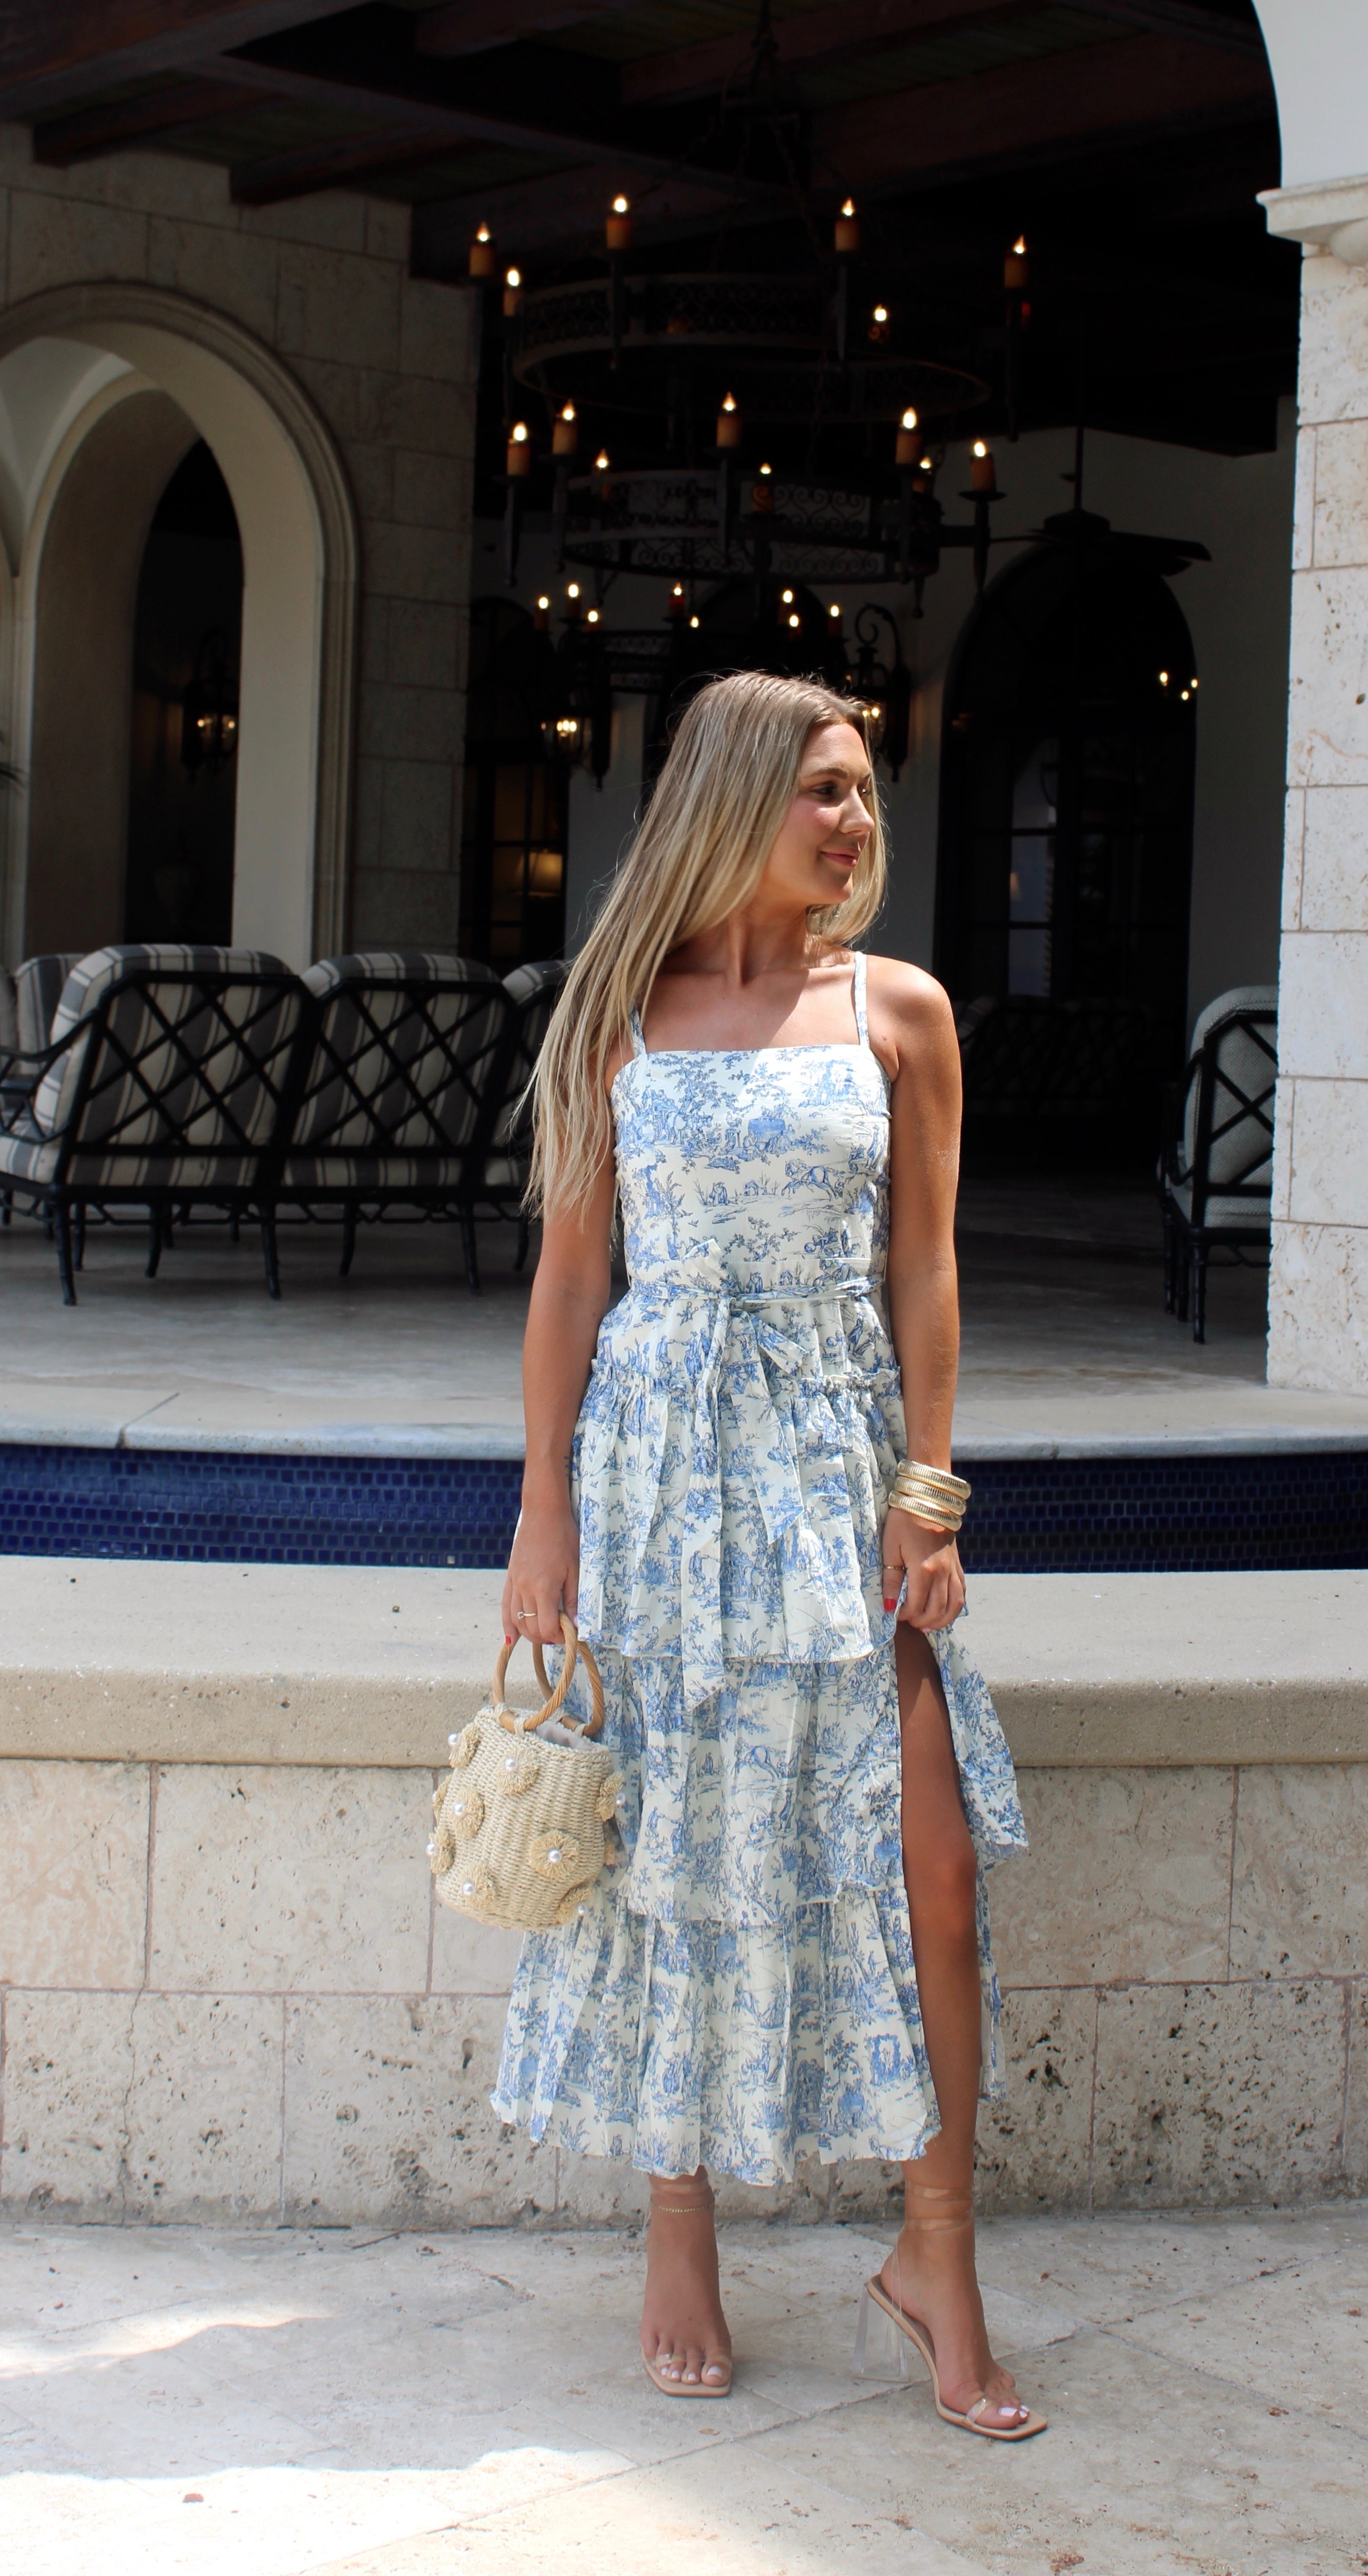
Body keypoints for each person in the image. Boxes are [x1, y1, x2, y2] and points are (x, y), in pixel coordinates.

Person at [493, 671, 1040, 2442]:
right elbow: (573, 1277)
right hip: (659, 1474)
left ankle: (937, 2256)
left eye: (864, 789)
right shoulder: (617, 1012)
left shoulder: (900, 1011)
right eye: (823, 788)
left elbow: (927, 1269)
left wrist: (929, 1490)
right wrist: (543, 1512)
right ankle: (680, 2225)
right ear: (735, 796)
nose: (855, 820)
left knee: (931, 1864)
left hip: (836, 1462)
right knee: (670, 1849)